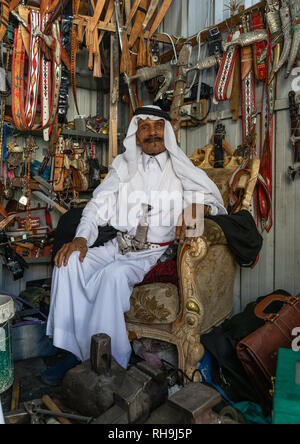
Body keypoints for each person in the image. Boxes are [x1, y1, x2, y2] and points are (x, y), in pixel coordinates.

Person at [42, 106, 226, 385]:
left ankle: (110, 362)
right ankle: (72, 352)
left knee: (113, 276)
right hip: (121, 245)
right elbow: (96, 207)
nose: (152, 132)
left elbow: (215, 204)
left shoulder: (182, 169)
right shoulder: (123, 166)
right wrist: (80, 239)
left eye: (157, 126)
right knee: (67, 264)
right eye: (144, 127)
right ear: (137, 136)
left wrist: (197, 210)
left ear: (167, 131)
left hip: (156, 252)